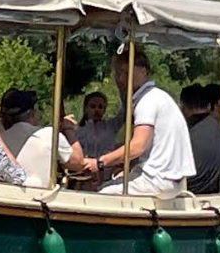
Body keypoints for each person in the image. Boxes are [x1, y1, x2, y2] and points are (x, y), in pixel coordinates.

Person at [83, 50, 195, 198]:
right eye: (118, 73)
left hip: (157, 179)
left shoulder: (147, 101)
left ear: (143, 71)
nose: (121, 79)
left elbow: (138, 146)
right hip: (169, 178)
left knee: (102, 193)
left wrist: (99, 162)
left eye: (126, 72)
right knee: (114, 182)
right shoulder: (158, 96)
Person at [0, 88, 87, 188]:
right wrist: (68, 129)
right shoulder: (50, 135)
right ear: (33, 112)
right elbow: (78, 163)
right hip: (42, 195)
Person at [180, 84, 220, 195]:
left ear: (184, 107)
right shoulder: (216, 126)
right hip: (211, 191)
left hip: (187, 191)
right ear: (208, 106)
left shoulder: (184, 129)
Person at [75, 91, 126, 159]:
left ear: (104, 110)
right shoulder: (78, 130)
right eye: (93, 107)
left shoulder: (111, 125)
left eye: (100, 107)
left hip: (107, 163)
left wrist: (122, 90)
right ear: (86, 109)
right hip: (86, 163)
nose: (97, 110)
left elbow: (125, 110)